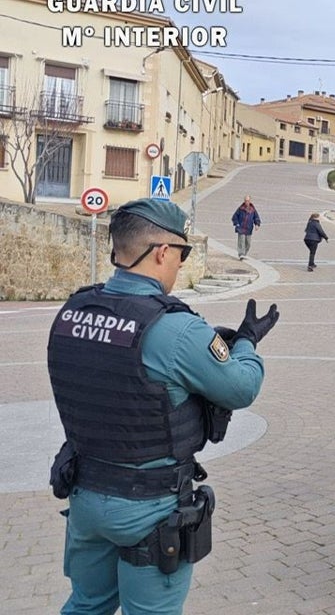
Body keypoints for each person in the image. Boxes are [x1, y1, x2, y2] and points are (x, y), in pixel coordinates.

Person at [46, 198, 279, 615]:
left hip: (85, 495)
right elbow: (241, 388)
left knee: (86, 606)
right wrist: (246, 343)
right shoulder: (175, 328)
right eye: (182, 254)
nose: (181, 265)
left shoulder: (71, 312)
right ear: (162, 252)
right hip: (149, 509)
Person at [231, 195, 261, 260]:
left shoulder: (253, 210)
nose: (246, 202)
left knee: (248, 243)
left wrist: (257, 224)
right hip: (241, 228)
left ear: (250, 201)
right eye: (245, 201)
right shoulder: (240, 209)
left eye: (248, 201)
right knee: (241, 241)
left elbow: (256, 218)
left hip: (249, 229)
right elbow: (234, 217)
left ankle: (244, 253)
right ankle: (241, 254)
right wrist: (237, 224)